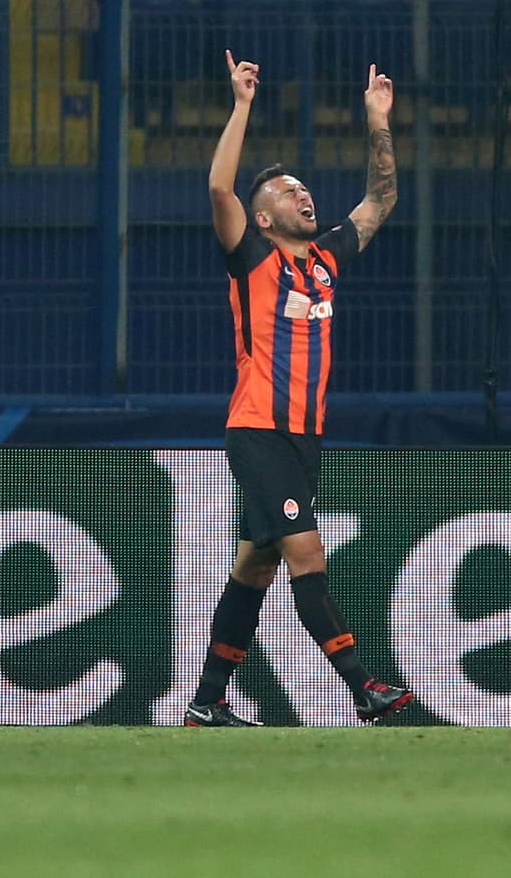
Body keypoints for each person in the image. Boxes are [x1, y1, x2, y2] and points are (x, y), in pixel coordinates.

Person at [183, 51, 410, 727]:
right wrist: (243, 105)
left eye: (303, 187)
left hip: (304, 437)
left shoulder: (328, 260)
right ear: (262, 219)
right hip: (258, 430)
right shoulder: (252, 260)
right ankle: (364, 688)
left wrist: (377, 122)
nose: (302, 195)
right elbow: (220, 190)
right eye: (285, 192)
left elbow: (382, 198)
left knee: (255, 568)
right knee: (306, 552)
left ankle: (206, 699)